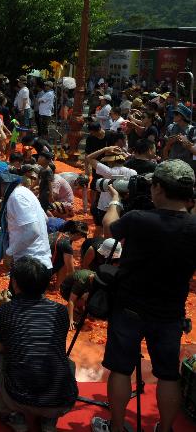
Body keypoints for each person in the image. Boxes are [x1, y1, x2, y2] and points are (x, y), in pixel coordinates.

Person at [92, 159, 196, 432]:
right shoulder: (193, 226)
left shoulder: (138, 219)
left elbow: (108, 227)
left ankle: (116, 427)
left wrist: (115, 200)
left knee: (121, 369)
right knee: (168, 374)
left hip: (129, 307)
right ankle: (165, 429)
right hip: (170, 310)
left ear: (159, 188)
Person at [0, 256, 78, 432]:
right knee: (68, 362)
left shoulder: (1, 312)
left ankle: (12, 415)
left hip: (19, 397)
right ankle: (49, 419)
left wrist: (7, 311)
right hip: (61, 400)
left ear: (15, 283)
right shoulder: (60, 312)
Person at [0, 161, 53, 273]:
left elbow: (33, 231)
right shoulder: (23, 192)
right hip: (37, 263)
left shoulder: (16, 197)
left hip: (29, 266)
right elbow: (45, 219)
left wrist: (9, 252)